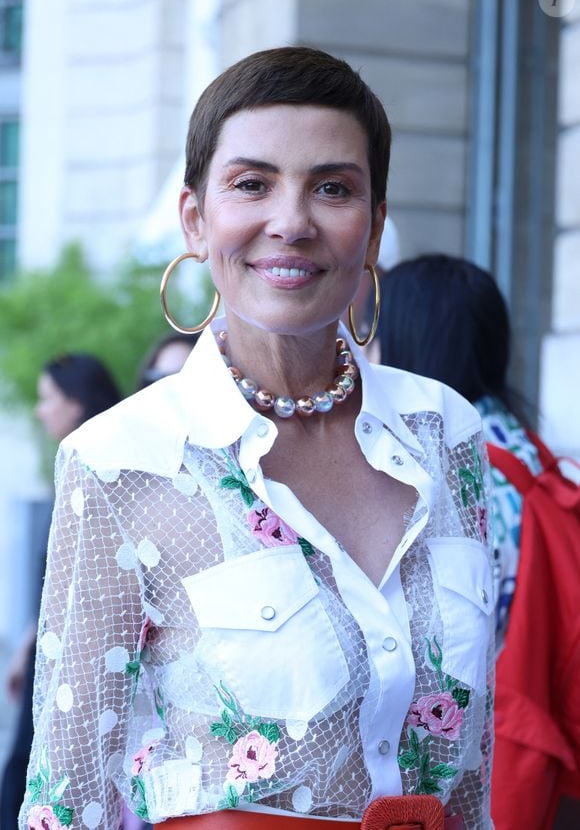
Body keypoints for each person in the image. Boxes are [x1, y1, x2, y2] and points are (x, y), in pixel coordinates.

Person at [19, 49, 494, 830]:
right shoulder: (121, 461)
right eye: (252, 183)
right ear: (197, 220)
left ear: (373, 227)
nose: (292, 221)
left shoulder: (447, 432)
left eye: (333, 188)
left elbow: (474, 774)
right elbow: (69, 800)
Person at [375, 253, 542, 650]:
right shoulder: (522, 446)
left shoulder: (458, 468)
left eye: (371, 333)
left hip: (494, 706)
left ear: (411, 347)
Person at [1, 354, 121, 830]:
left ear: (76, 403)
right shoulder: (73, 460)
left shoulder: (102, 466)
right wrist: (30, 639)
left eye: (47, 398)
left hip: (85, 660)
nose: (38, 410)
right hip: (53, 645)